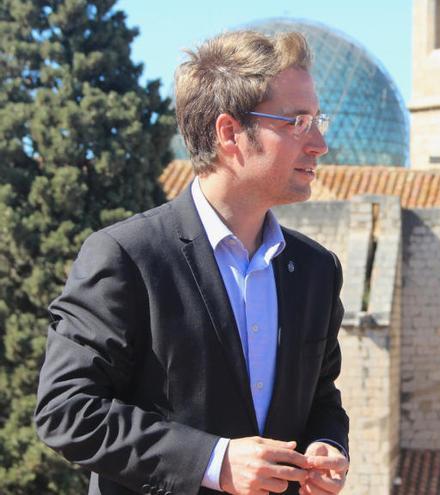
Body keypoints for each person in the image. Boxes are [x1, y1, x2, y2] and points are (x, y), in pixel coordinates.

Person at [34, 30, 349, 495]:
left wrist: (326, 442)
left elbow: (322, 396)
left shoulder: (317, 269)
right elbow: (67, 410)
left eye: (316, 119)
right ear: (229, 133)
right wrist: (213, 462)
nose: (319, 142)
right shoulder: (127, 257)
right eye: (297, 122)